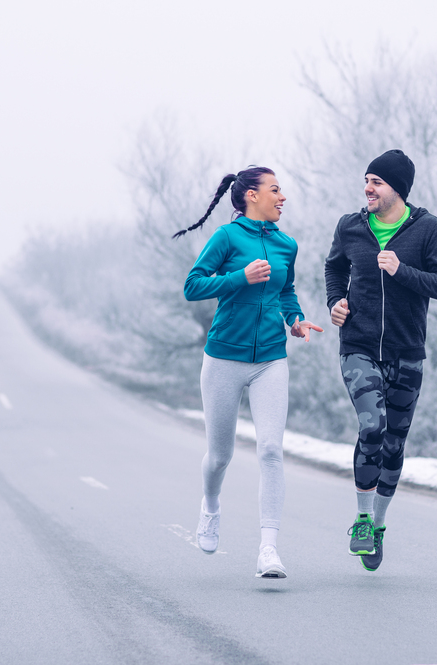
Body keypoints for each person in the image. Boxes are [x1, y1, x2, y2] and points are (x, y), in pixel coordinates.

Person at [175, 166, 323, 579]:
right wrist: (240, 277)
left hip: (271, 359)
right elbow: (193, 285)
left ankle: (269, 550)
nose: (283, 197)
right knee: (220, 456)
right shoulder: (226, 237)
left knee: (271, 450)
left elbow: (285, 290)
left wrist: (295, 319)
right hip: (224, 358)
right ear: (251, 196)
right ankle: (210, 506)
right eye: (275, 190)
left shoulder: (286, 244)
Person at [324, 149, 437, 571]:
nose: (367, 188)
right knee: (372, 426)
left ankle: (378, 527)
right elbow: (333, 269)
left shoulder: (427, 230)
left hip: (407, 352)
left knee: (395, 445)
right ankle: (362, 521)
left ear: (397, 189)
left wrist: (403, 271)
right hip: (359, 345)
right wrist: (335, 302)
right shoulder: (350, 227)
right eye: (366, 180)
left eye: (376, 182)